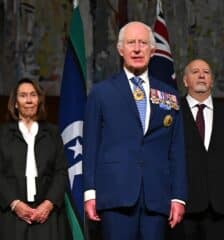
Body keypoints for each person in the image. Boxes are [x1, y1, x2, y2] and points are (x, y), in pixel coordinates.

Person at [83, 21, 187, 240]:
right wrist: (90, 193)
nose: (137, 48)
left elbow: (176, 151)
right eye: (131, 43)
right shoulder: (101, 93)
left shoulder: (169, 95)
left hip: (157, 197)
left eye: (143, 43)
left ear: (152, 50)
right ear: (121, 49)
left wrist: (178, 197)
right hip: (115, 195)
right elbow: (91, 146)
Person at [0, 78, 71, 240]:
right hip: (10, 217)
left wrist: (48, 204)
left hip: (47, 216)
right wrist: (15, 204)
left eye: (33, 95)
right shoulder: (2, 134)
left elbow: (61, 171)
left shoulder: (52, 133)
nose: (29, 100)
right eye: (23, 96)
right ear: (15, 103)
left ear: (39, 100)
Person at [171, 59, 224, 240]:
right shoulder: (173, 111)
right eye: (195, 72)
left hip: (219, 209)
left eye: (206, 72)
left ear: (211, 81)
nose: (201, 75)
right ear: (185, 81)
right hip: (182, 208)